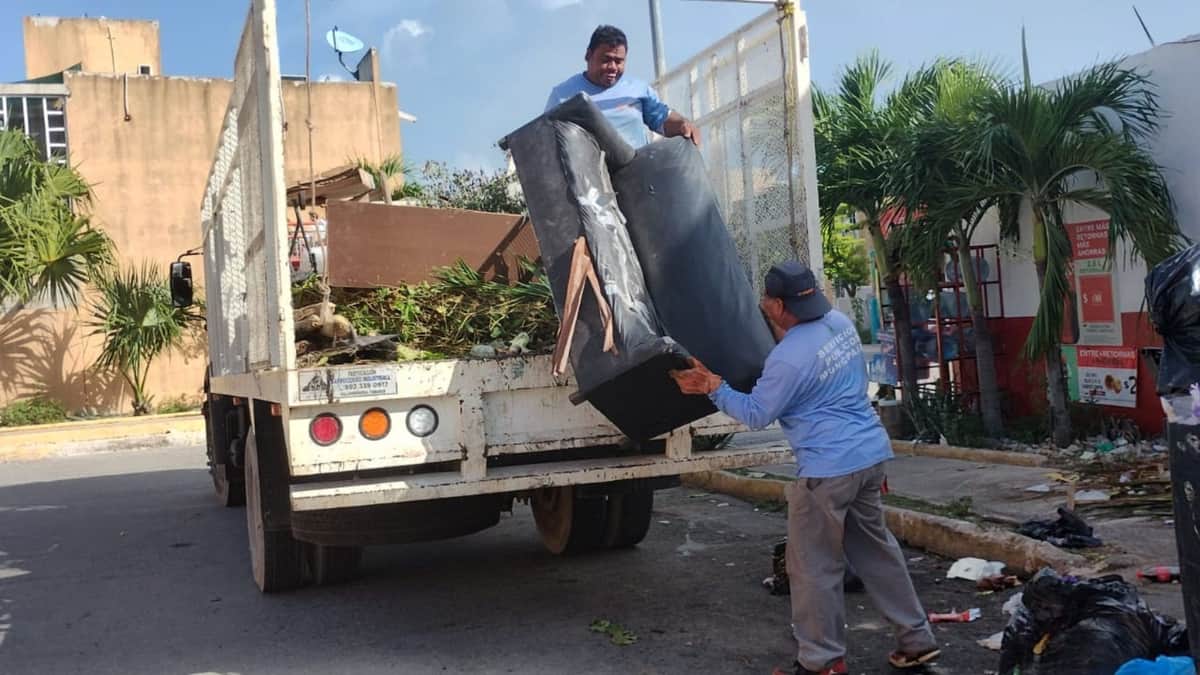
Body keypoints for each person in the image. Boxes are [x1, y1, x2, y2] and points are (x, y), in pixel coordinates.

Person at [669, 261, 940, 675]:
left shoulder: (788, 358)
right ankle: (917, 641)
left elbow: (756, 413)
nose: (762, 304)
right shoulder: (839, 325)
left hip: (826, 471)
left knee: (813, 567)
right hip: (869, 457)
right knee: (877, 554)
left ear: (778, 306)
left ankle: (821, 661)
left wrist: (713, 387)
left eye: (766, 298)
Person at [545, 24, 700, 150]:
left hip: (637, 172)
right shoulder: (562, 95)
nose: (613, 67)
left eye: (619, 61)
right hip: (587, 177)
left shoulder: (638, 90)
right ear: (588, 55)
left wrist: (682, 124)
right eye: (606, 59)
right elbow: (546, 141)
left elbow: (662, 118)